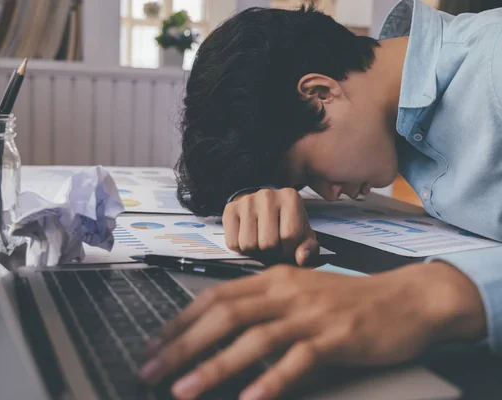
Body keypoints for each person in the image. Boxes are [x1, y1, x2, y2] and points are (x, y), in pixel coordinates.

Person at [138, 1, 502, 399]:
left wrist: (431, 296)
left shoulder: (492, 63)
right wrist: (253, 193)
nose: (327, 193)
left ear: (320, 93)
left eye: (309, 174)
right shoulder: (396, 114)